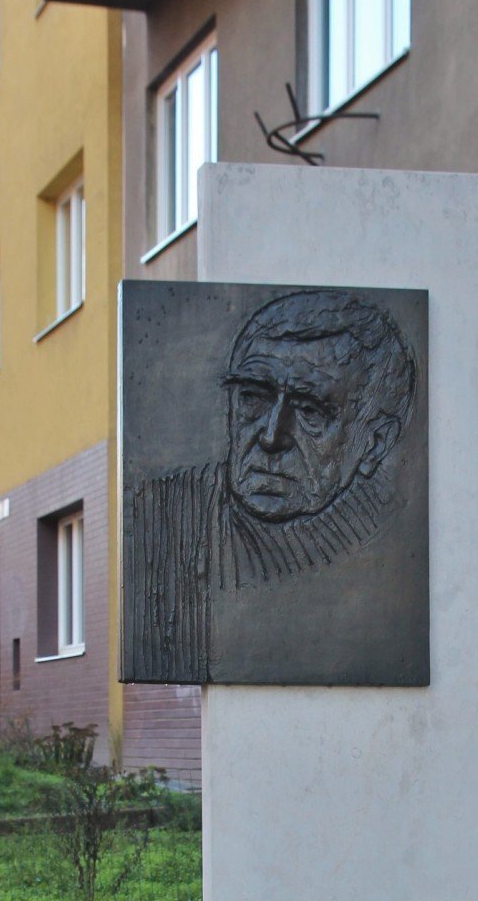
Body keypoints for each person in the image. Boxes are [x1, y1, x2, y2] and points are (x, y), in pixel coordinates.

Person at [123, 289, 418, 683]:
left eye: (310, 410)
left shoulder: (397, 558)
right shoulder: (161, 522)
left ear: (375, 443)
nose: (271, 436)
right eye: (253, 398)